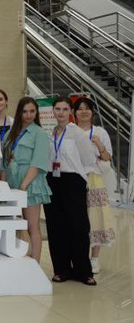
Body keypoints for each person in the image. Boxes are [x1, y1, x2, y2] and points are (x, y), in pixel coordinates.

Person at [45, 97, 97, 285]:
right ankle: (61, 269)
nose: (61, 113)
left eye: (65, 109)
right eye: (57, 109)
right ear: (53, 111)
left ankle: (83, 271)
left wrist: (81, 182)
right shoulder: (50, 133)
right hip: (53, 180)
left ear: (71, 112)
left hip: (73, 181)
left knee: (78, 226)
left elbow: (88, 161)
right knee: (55, 226)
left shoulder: (78, 134)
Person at [0, 97, 51, 263]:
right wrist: (4, 185)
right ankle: (20, 259)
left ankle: (35, 262)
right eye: (25, 111)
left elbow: (38, 162)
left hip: (30, 182)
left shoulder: (39, 133)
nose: (28, 115)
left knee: (31, 225)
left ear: (36, 113)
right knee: (16, 224)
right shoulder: (10, 133)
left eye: (32, 111)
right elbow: (4, 161)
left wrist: (23, 186)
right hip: (12, 181)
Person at [73, 97, 115, 273]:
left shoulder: (100, 132)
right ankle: (78, 256)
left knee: (96, 217)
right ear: (74, 112)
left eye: (87, 108)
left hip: (94, 179)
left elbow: (107, 157)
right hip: (75, 177)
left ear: (92, 112)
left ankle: (95, 258)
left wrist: (99, 144)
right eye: (80, 108)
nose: (84, 112)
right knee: (76, 217)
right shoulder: (71, 131)